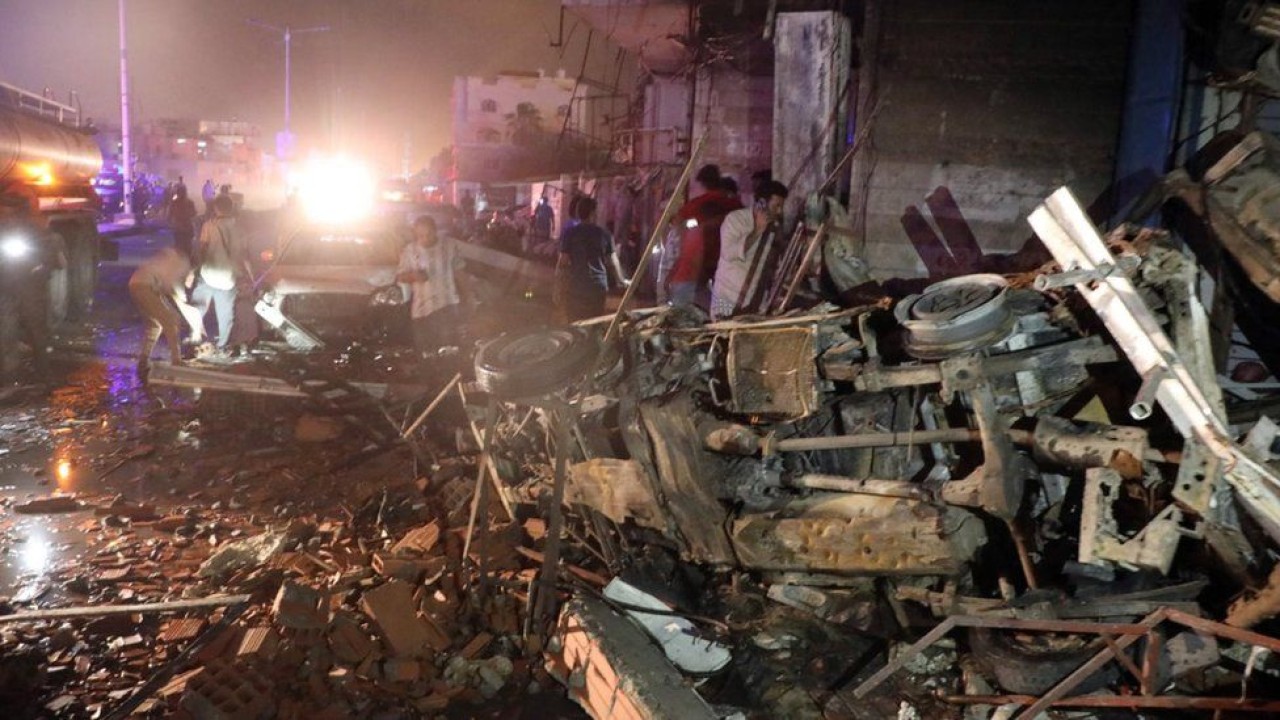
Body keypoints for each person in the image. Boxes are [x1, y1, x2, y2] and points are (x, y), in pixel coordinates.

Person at [661, 164, 742, 308]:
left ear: (702, 183)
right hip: (725, 271)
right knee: (720, 311)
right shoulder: (735, 206)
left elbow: (677, 225)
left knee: (691, 317)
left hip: (696, 276)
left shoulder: (697, 208)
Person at [710, 180, 788, 320]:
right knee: (722, 335)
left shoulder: (774, 229)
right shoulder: (735, 220)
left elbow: (775, 264)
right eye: (776, 206)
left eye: (781, 206)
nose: (779, 211)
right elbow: (729, 253)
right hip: (726, 297)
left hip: (754, 303)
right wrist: (757, 231)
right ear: (762, 203)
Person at [396, 215, 468, 355]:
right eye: (420, 236)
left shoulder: (449, 246)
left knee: (448, 352)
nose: (425, 239)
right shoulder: (409, 251)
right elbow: (400, 276)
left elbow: (460, 273)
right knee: (426, 353)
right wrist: (413, 276)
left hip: (446, 306)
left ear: (435, 231)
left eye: (428, 234)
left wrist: (468, 298)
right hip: (421, 311)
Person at [129, 247, 204, 376]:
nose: (190, 282)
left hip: (136, 284)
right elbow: (173, 287)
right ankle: (176, 360)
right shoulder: (182, 264)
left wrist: (181, 302)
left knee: (155, 325)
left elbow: (168, 288)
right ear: (192, 270)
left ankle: (143, 360)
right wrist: (184, 302)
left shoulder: (174, 257)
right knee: (171, 320)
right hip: (145, 286)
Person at [191, 195, 250, 353]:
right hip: (228, 279)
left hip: (208, 274)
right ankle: (223, 345)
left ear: (216, 208)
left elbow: (201, 250)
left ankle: (194, 338)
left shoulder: (209, 225)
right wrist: (250, 277)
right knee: (225, 315)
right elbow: (244, 256)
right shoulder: (239, 228)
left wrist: (194, 270)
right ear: (231, 208)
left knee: (197, 308)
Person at [554, 197, 629, 322]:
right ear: (593, 213)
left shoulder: (571, 233)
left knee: (575, 324)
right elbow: (613, 262)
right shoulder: (604, 234)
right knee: (594, 324)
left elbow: (562, 262)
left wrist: (557, 287)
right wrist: (622, 280)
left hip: (576, 287)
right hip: (597, 287)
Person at [165, 184, 198, 257]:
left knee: (179, 248)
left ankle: (181, 263)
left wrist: (171, 224)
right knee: (188, 247)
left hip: (178, 228)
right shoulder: (190, 202)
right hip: (187, 228)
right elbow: (194, 213)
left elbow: (168, 217)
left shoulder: (173, 203)